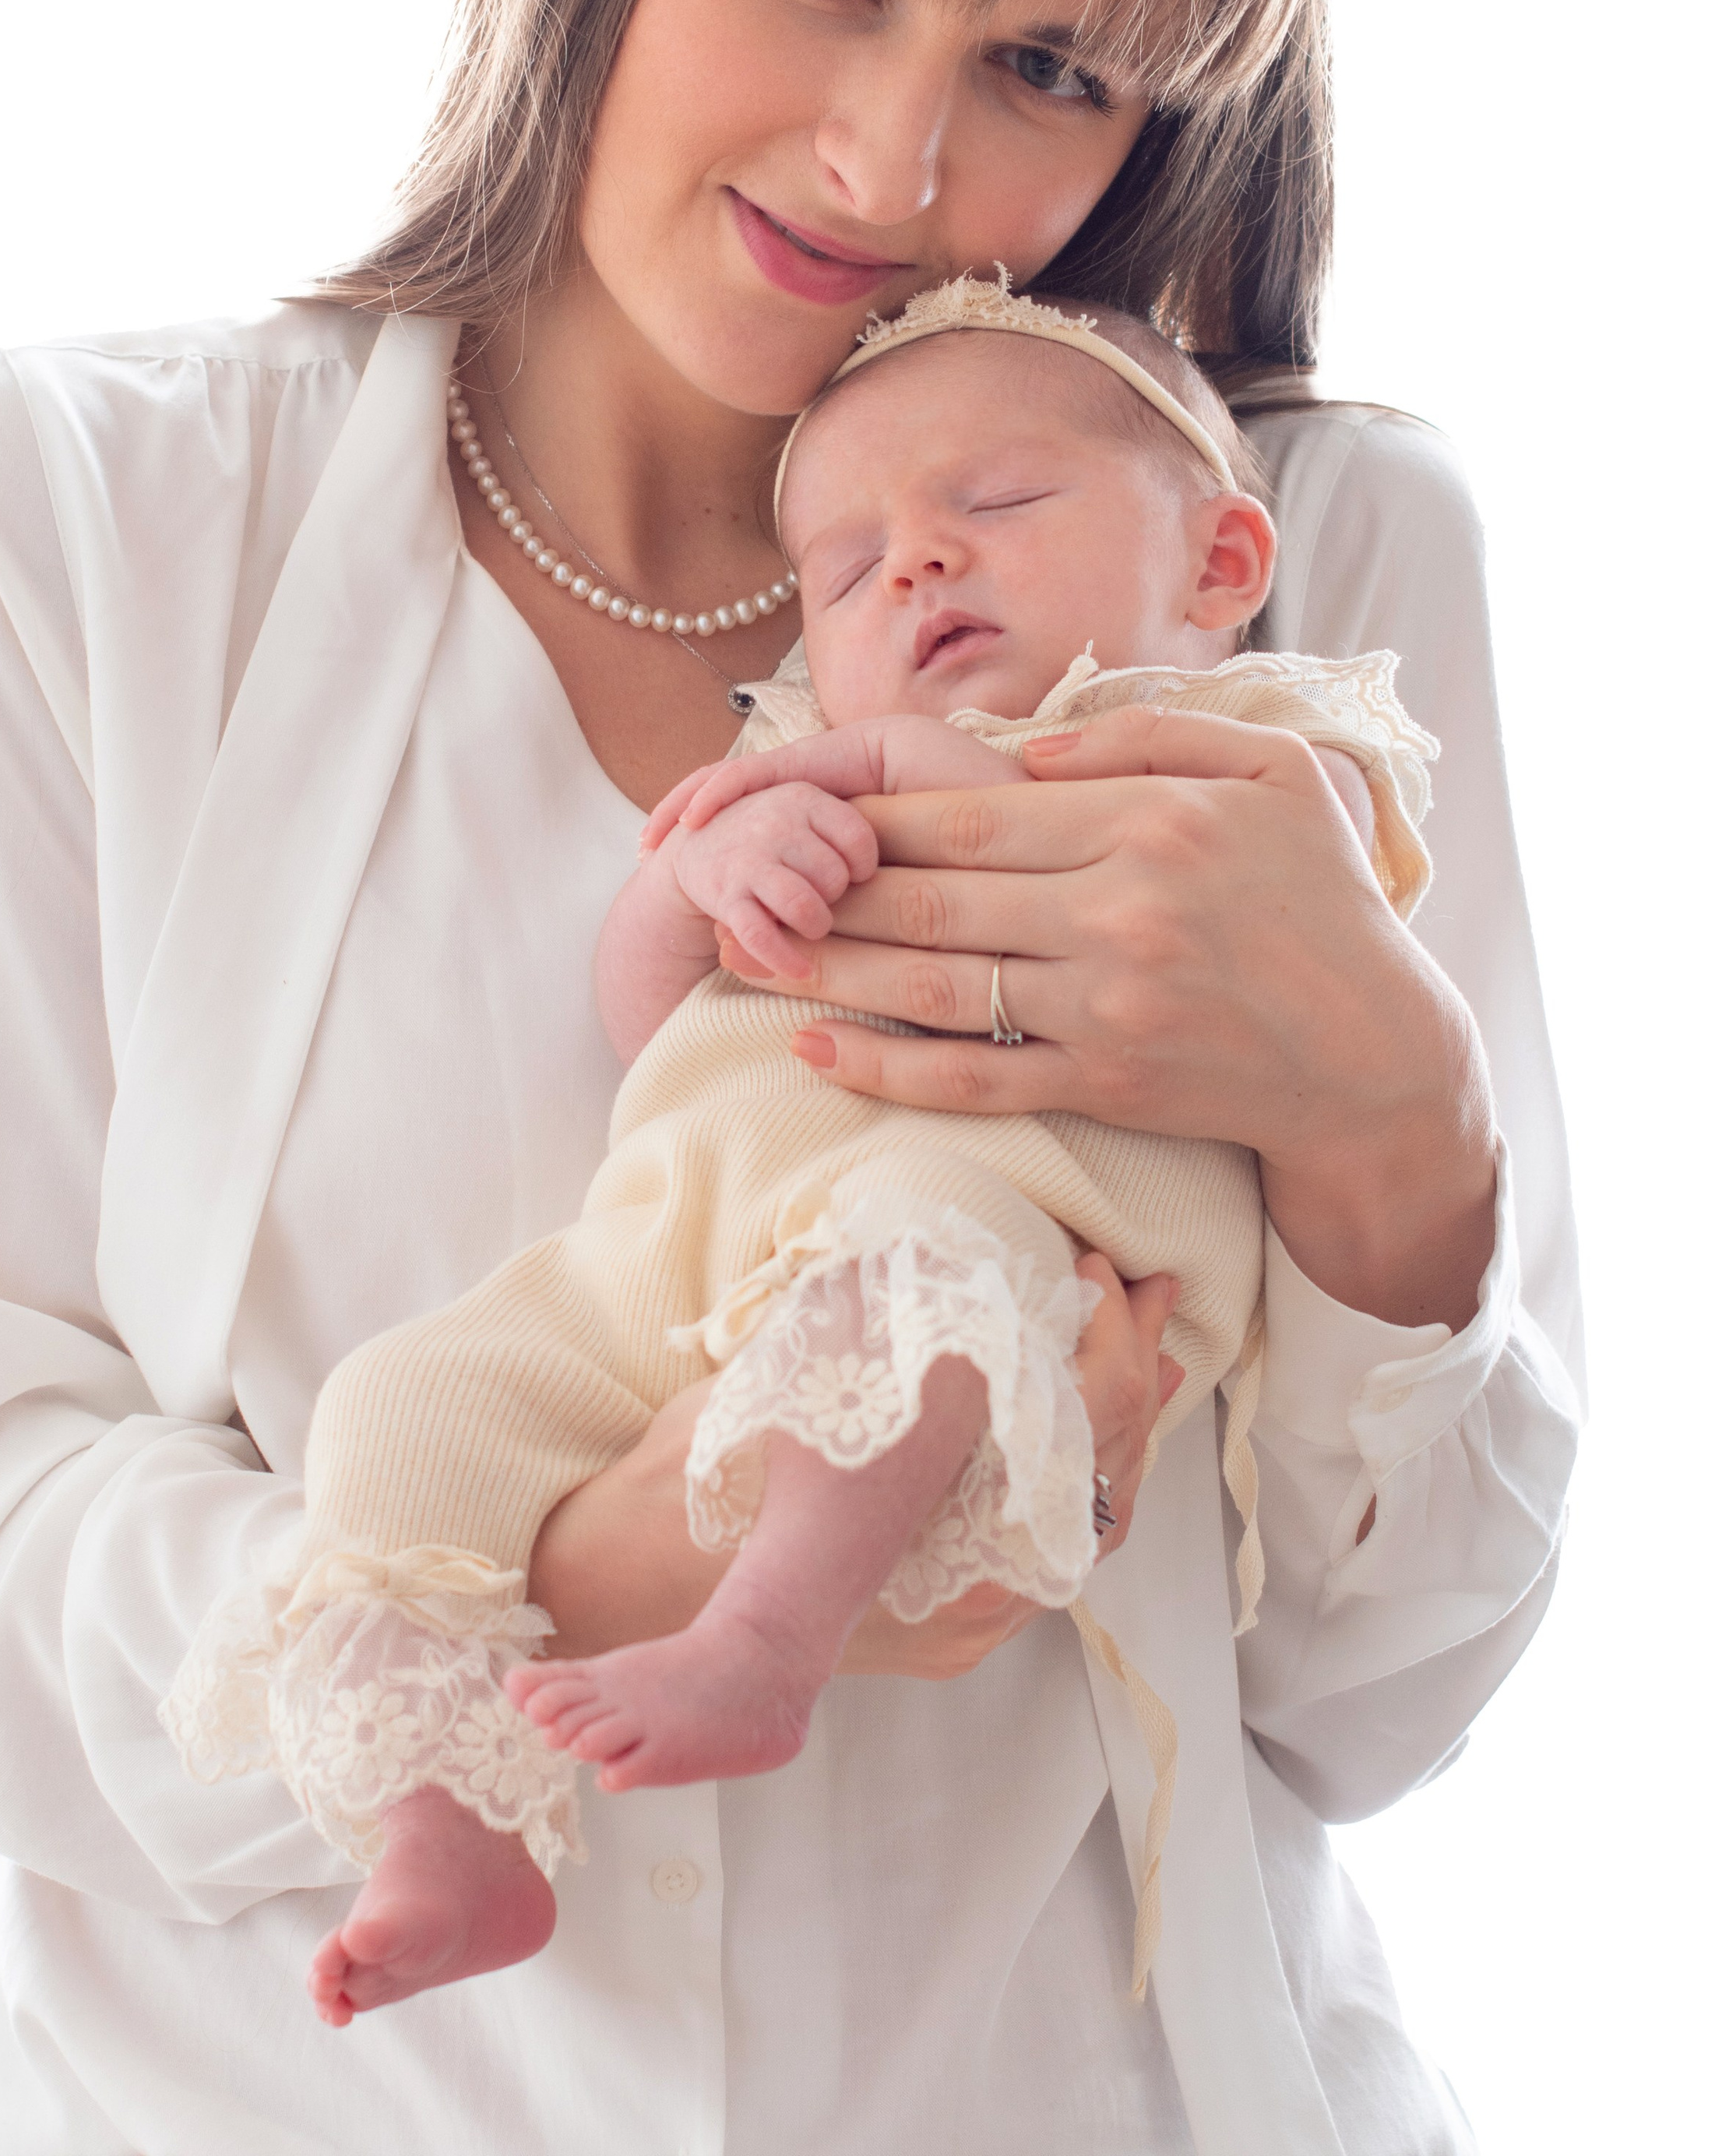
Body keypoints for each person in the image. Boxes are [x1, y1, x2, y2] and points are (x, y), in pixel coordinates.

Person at [0, 0, 1581, 2154]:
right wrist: (627, 1565)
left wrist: (1392, 1110)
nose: (895, 165)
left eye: (1048, 66)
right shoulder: (55, 523)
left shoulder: (1291, 571)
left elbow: (1382, 1693)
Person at [171, 280, 1441, 2031]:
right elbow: (648, 1022)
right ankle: (454, 1808)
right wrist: (698, 883)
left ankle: (763, 1637)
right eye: (843, 572)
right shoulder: (789, 765)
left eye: (996, 503)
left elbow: (1322, 937)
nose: (914, 564)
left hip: (1026, 1215)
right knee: (400, 1409)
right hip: (686, 1237)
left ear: (1220, 563)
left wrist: (886, 764)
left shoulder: (1262, 747)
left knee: (908, 1273)